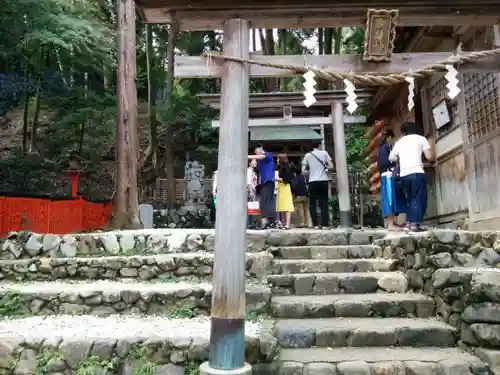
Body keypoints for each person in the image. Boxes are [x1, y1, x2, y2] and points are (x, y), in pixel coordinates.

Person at [389, 121, 433, 232]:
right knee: (418, 198)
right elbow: (429, 156)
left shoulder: (399, 142)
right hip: (417, 172)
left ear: (404, 132)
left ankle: (408, 224)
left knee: (410, 199)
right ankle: (415, 225)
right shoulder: (421, 139)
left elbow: (391, 157)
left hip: (404, 174)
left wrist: (402, 159)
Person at [378, 129, 406, 231]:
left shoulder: (383, 148)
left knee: (391, 199)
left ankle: (392, 223)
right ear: (389, 138)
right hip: (388, 176)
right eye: (392, 139)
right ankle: (390, 225)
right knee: (390, 199)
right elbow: (385, 163)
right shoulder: (385, 148)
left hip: (386, 176)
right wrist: (395, 164)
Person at [302, 142, 333, 229]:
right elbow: (331, 166)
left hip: (312, 181)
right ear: (319, 145)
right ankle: (324, 224)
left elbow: (303, 171)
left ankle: (315, 224)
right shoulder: (324, 153)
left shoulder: (308, 155)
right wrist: (325, 168)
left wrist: (311, 172)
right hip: (323, 180)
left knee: (312, 203)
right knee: (324, 202)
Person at [248, 145, 276, 229]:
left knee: (266, 201)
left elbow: (260, 156)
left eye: (256, 150)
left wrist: (245, 156)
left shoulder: (268, 154)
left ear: (261, 148)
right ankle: (267, 221)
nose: (255, 153)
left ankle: (266, 221)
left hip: (268, 181)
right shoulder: (260, 162)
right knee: (264, 201)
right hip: (263, 183)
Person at [276, 153, 294, 229]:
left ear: (281, 159)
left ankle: (287, 224)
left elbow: (287, 179)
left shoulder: (286, 167)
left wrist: (278, 179)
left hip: (285, 187)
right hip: (281, 187)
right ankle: (283, 223)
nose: (276, 160)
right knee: (282, 206)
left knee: (287, 206)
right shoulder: (281, 167)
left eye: (278, 158)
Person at [247, 159, 258, 228]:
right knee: (248, 207)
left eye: (256, 161)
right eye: (253, 161)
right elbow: (248, 182)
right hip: (249, 190)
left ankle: (250, 223)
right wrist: (250, 191)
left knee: (250, 207)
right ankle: (248, 224)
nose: (255, 162)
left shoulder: (253, 171)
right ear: (249, 163)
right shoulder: (249, 170)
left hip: (252, 190)